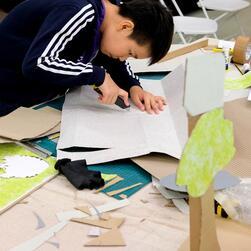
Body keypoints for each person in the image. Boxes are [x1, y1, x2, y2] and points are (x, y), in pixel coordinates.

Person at [0, 0, 174, 116]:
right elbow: (38, 63)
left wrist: (134, 87)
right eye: (129, 52)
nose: (123, 59)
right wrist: (97, 75)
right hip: (8, 98)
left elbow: (114, 63)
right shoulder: (79, 11)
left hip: (36, 100)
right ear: (126, 26)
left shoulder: (111, 17)